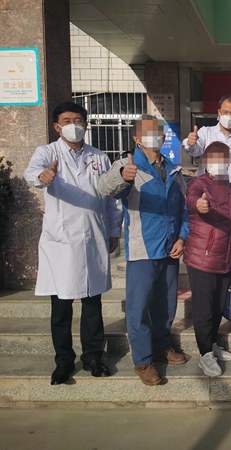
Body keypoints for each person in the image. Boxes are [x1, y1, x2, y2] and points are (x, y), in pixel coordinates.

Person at [24, 102, 122, 385]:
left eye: (78, 120)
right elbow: (32, 173)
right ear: (57, 126)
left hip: (93, 236)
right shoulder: (48, 152)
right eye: (67, 121)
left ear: (86, 125)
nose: (73, 125)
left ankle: (93, 358)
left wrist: (113, 230)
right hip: (62, 241)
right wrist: (42, 176)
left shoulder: (99, 157)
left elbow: (111, 198)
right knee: (61, 307)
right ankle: (63, 361)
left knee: (92, 304)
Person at [99, 114, 189, 386]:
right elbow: (104, 187)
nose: (156, 136)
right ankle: (142, 360)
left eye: (159, 131)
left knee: (166, 304)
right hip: (143, 248)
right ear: (137, 138)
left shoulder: (172, 168)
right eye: (149, 132)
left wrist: (182, 237)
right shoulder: (129, 166)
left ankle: (162, 347)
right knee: (138, 308)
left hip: (169, 248)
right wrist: (122, 177)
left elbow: (183, 208)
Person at [184, 142, 231, 377]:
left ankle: (213, 344)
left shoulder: (230, 187)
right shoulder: (199, 184)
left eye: (223, 159)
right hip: (203, 257)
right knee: (204, 308)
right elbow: (192, 200)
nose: (219, 163)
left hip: (226, 257)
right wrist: (198, 205)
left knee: (217, 305)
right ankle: (205, 355)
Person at [182, 94, 231, 188]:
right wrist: (190, 143)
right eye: (225, 112)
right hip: (207, 193)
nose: (228, 116)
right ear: (219, 112)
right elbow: (194, 151)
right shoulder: (206, 132)